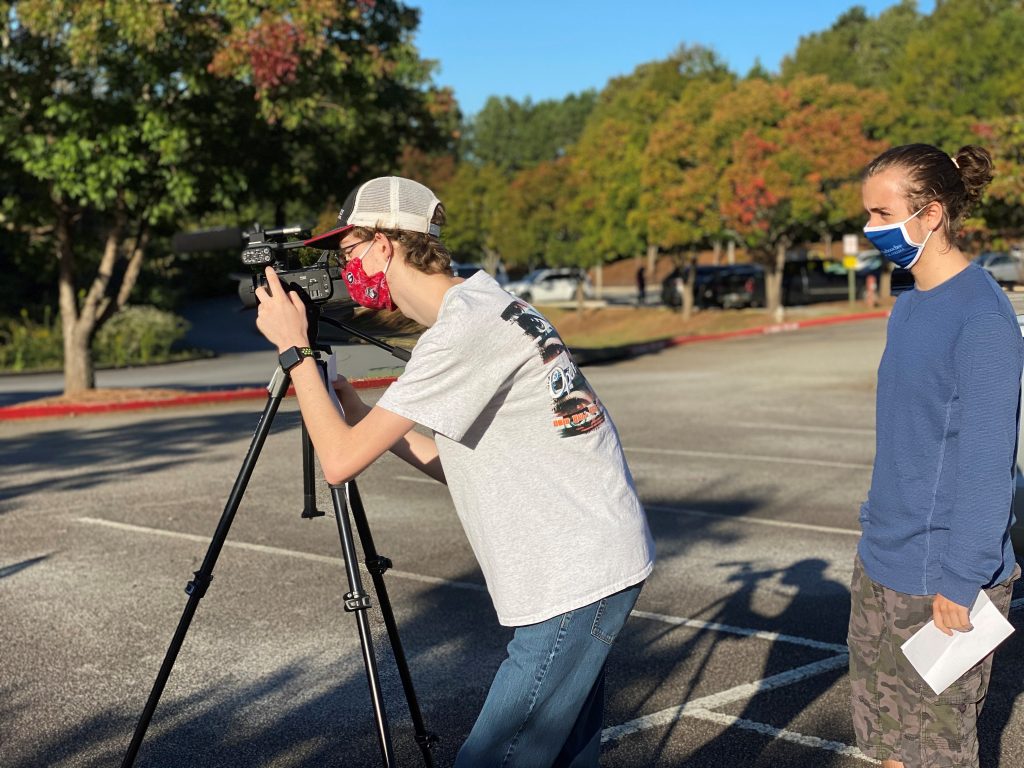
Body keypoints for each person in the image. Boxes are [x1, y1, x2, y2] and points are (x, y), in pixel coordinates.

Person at [253, 176, 655, 767]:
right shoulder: (480, 306)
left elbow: (337, 462)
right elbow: (466, 465)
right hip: (589, 559)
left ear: (386, 245)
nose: (344, 268)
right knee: (561, 756)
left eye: (349, 250)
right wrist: (364, 418)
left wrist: (296, 353)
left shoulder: (465, 330)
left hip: (576, 574)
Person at [849, 143, 1023, 768]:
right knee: (888, 748)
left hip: (942, 579)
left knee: (933, 756)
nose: (870, 230)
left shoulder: (982, 318)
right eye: (867, 215)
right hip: (884, 559)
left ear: (932, 215)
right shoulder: (910, 304)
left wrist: (962, 576)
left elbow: (986, 459)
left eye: (881, 213)